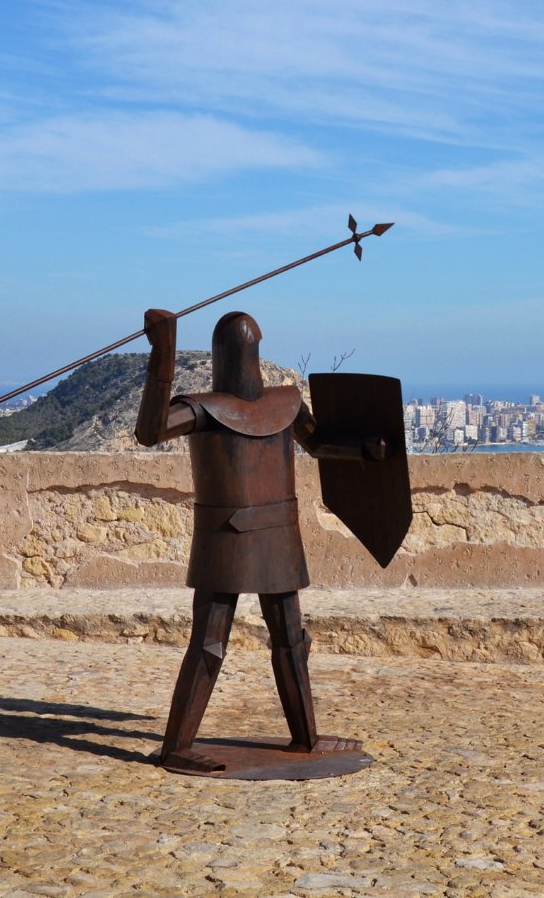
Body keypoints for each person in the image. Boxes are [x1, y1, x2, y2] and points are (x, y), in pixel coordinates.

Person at [135, 307, 384, 773]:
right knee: (210, 641)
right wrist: (163, 355)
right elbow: (149, 432)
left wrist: (364, 450)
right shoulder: (204, 408)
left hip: (277, 531)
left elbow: (319, 443)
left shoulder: (284, 403)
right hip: (225, 534)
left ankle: (305, 738)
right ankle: (177, 746)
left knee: (292, 639)